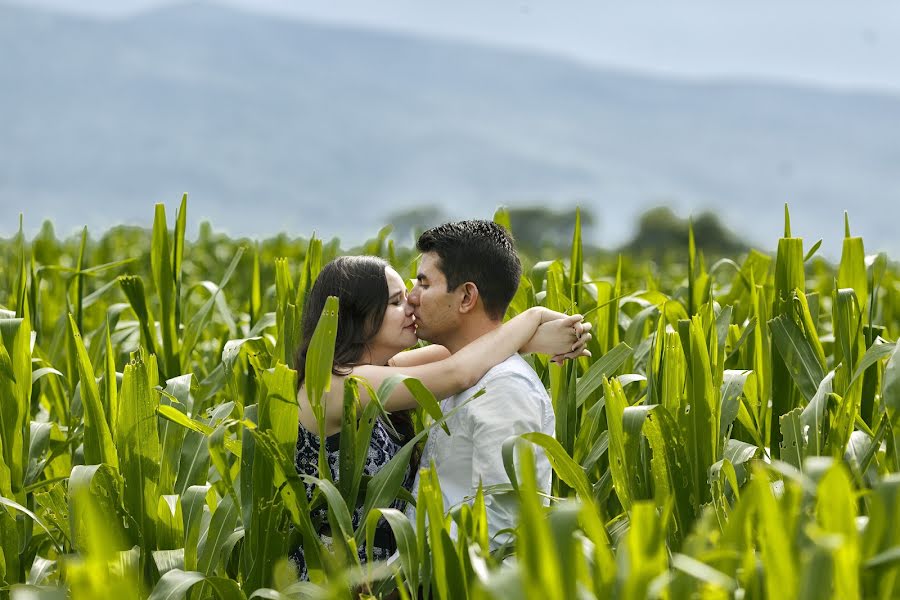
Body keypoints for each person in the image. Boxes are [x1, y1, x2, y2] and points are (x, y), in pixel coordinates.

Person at [290, 254, 590, 576]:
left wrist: (534, 341)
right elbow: (457, 371)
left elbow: (467, 349)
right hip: (339, 582)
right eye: (395, 302)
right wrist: (534, 316)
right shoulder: (332, 385)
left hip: (385, 579)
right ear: (358, 316)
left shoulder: (377, 372)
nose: (411, 306)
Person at [404, 220, 564, 547]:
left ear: (466, 297)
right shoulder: (457, 371)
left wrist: (397, 577)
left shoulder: (503, 388)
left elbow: (502, 528)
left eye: (423, 283)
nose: (412, 297)